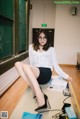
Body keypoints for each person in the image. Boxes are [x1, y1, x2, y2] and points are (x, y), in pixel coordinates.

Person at [15, 29, 72, 112]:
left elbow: (56, 66)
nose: (42, 40)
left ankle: (41, 99)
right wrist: (30, 72)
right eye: (40, 37)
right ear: (37, 38)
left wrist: (66, 76)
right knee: (17, 64)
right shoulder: (31, 47)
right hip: (35, 72)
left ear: (48, 38)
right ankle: (37, 90)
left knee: (26, 67)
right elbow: (31, 63)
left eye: (44, 38)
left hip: (45, 73)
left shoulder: (51, 49)